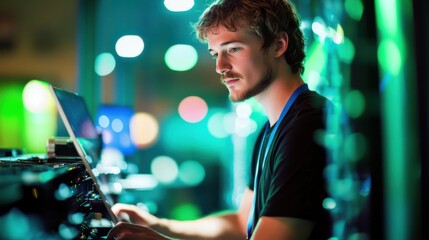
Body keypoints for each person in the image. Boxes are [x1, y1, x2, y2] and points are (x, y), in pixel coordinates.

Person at [107, 0, 332, 239]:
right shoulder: (273, 128)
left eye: (233, 49)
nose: (220, 66)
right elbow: (240, 222)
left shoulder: (306, 125)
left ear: (278, 45)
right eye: (216, 53)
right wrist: (159, 225)